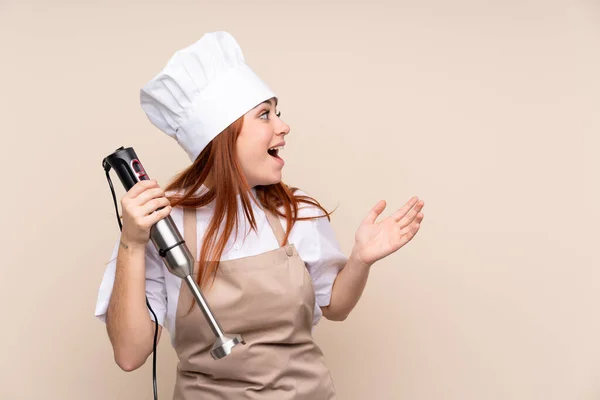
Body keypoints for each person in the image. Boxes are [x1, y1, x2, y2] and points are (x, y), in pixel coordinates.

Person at [95, 31, 425, 400]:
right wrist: (132, 243)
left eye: (277, 113)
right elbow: (129, 355)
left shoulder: (298, 213)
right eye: (264, 115)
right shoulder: (159, 224)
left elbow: (335, 307)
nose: (283, 127)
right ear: (222, 135)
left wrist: (361, 260)